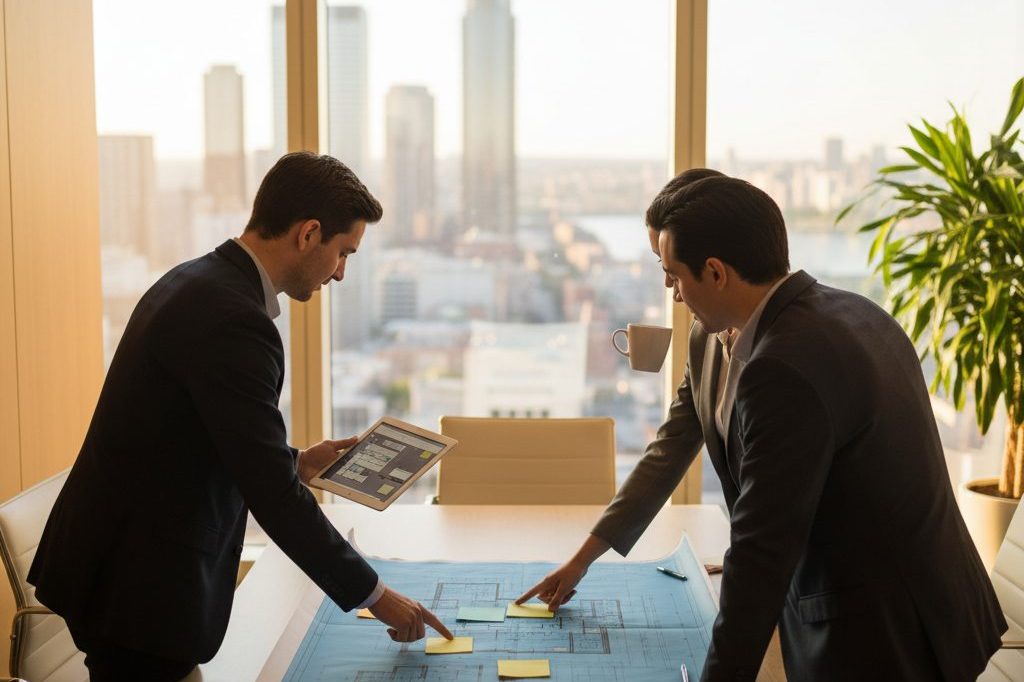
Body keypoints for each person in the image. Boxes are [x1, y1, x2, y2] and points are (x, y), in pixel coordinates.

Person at [517, 171, 1006, 681]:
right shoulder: (842, 312)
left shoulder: (786, 366)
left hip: (886, 629)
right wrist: (584, 558)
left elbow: (761, 557)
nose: (671, 292)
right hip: (912, 602)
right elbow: (674, 445)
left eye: (674, 274)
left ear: (715, 272)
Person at [29, 152, 452, 681]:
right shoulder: (236, 321)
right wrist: (377, 596)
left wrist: (295, 462)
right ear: (308, 234)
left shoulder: (196, 280)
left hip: (115, 564)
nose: (341, 273)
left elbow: (200, 433)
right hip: (137, 589)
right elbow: (274, 499)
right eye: (343, 253)